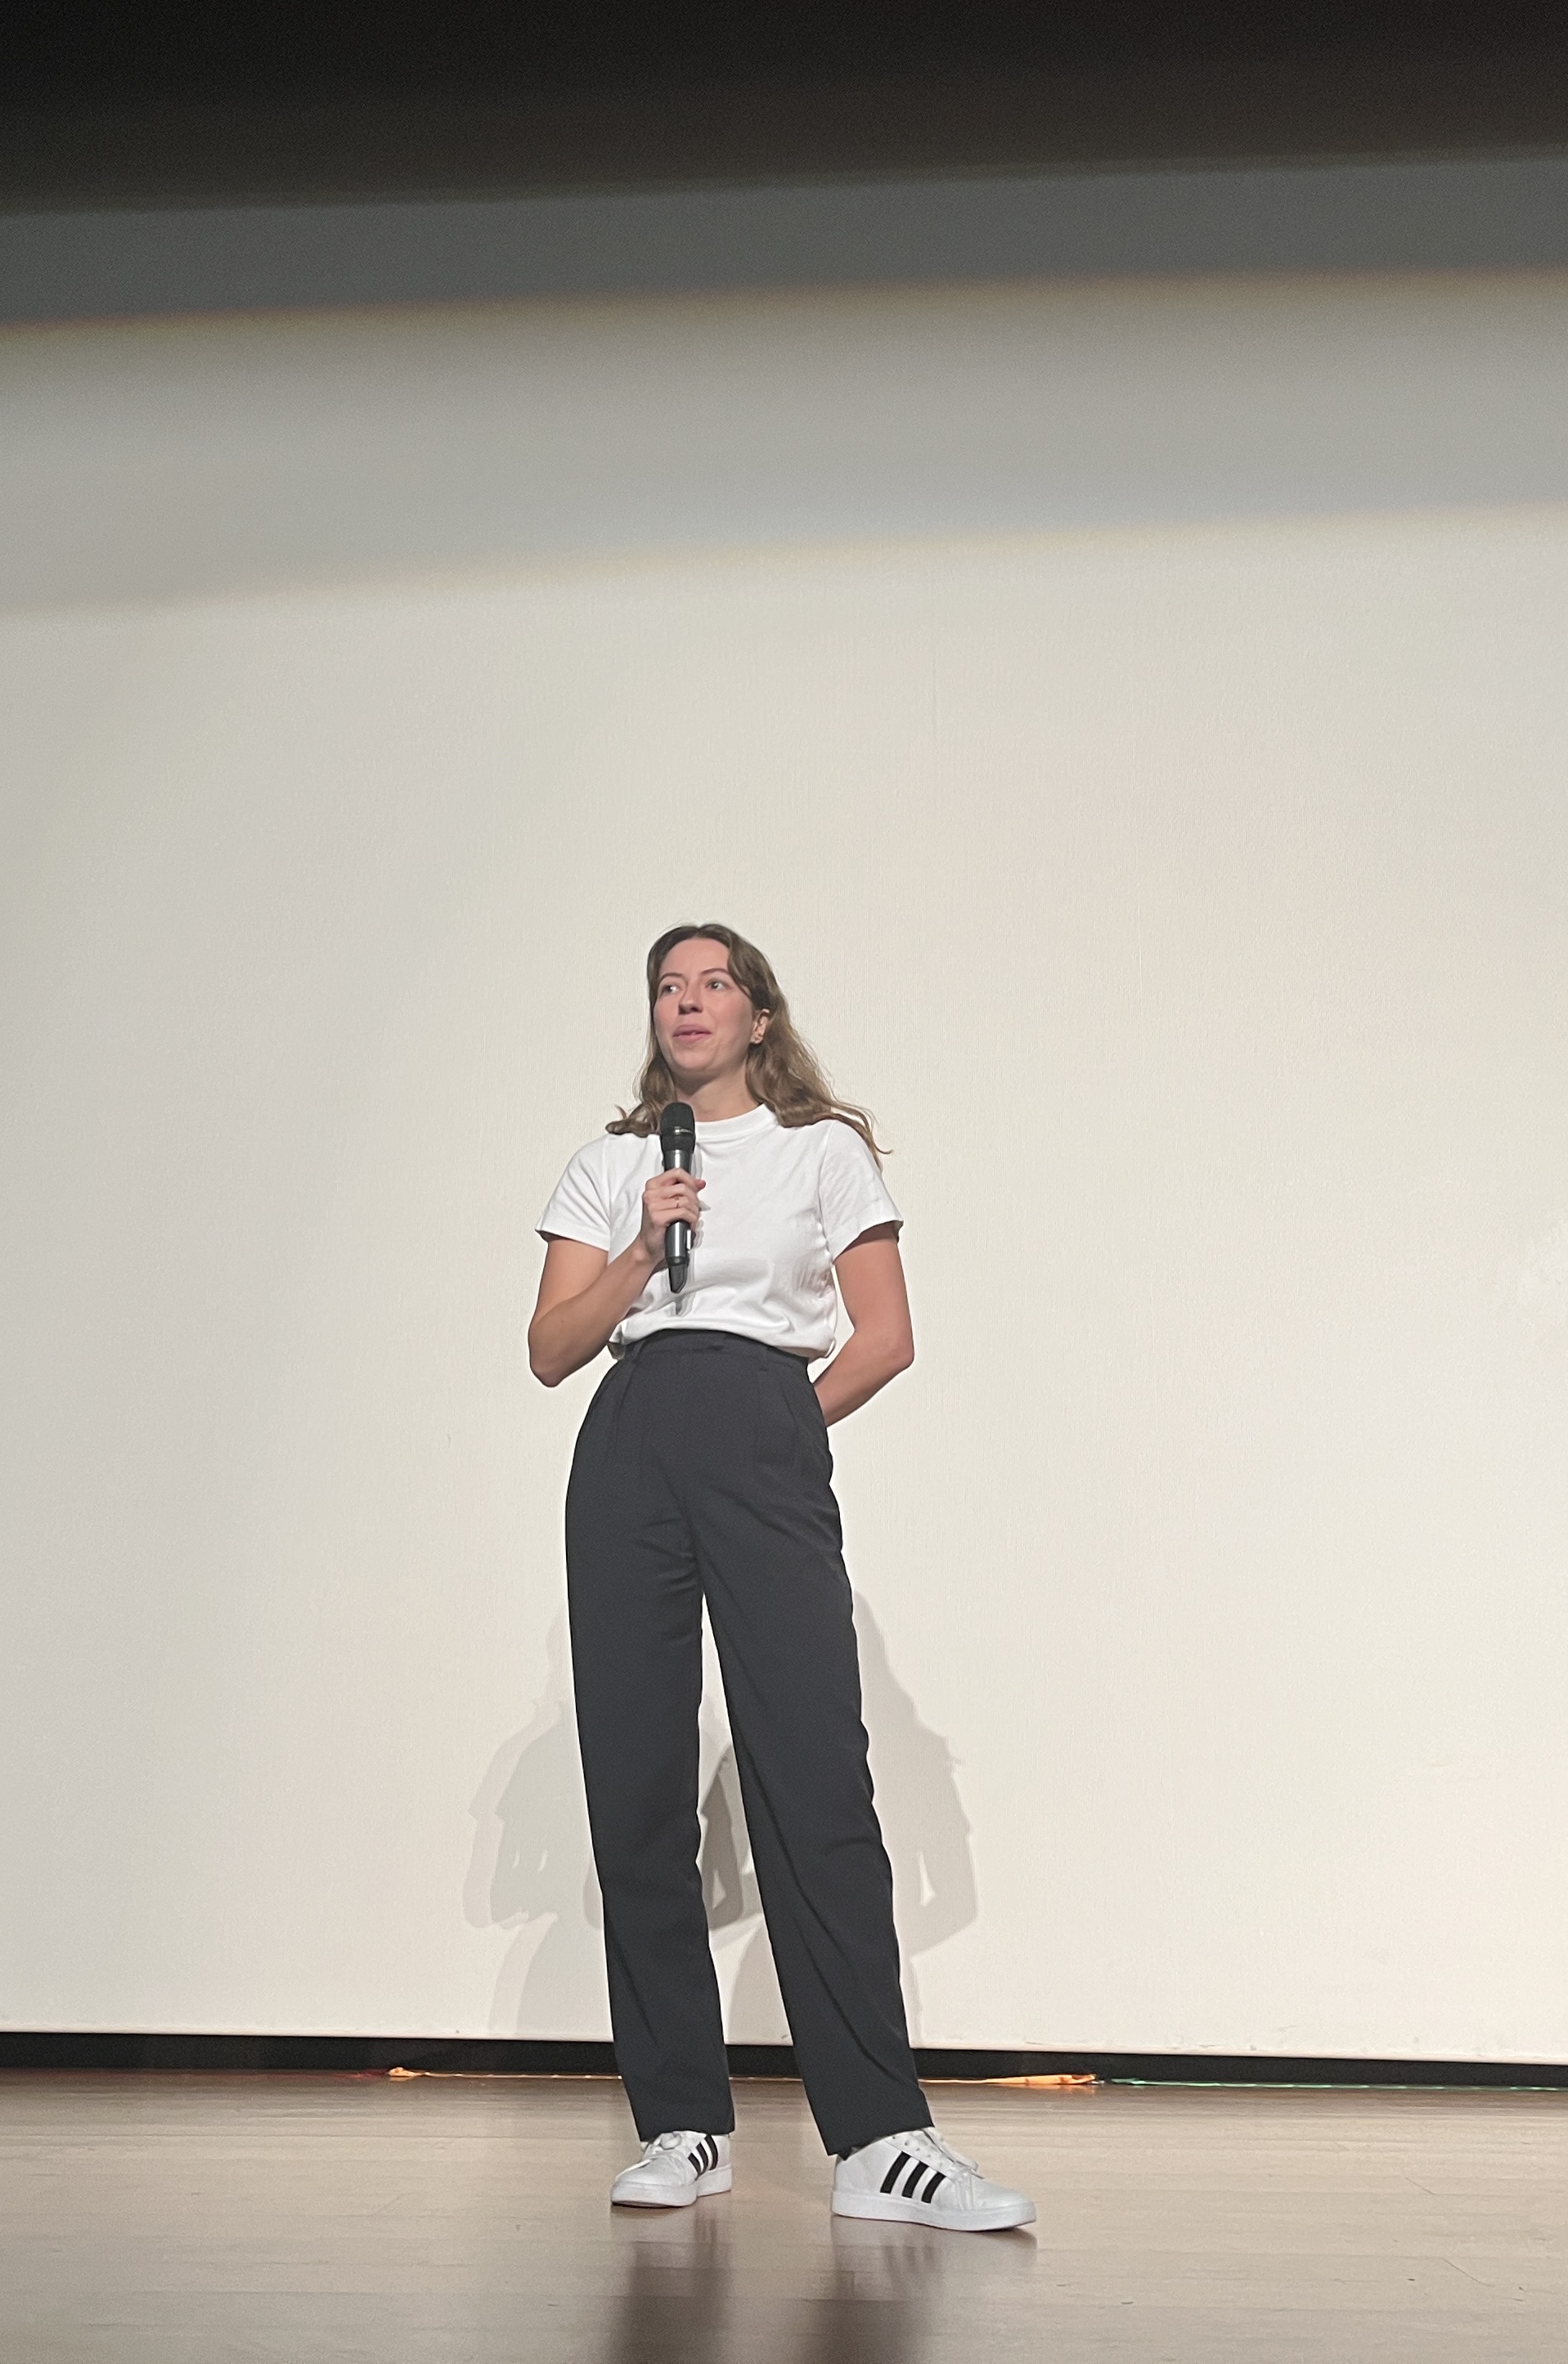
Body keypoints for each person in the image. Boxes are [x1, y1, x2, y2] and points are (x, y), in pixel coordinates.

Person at [529, 924, 1035, 2232]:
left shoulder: (821, 1152)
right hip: (630, 1440)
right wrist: (639, 1252)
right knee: (636, 1784)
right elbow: (550, 1348)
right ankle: (682, 2123)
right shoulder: (614, 1165)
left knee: (811, 1773)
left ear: (760, 1016)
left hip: (760, 1424)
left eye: (714, 984)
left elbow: (886, 1336)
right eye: (668, 986)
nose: (687, 1002)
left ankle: (880, 2140)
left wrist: (775, 1434)